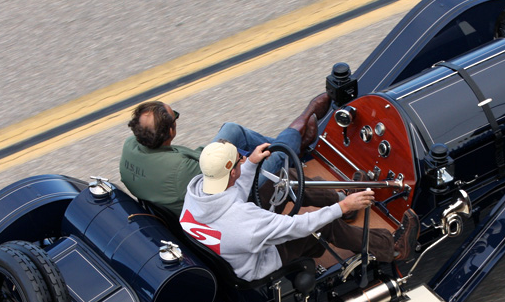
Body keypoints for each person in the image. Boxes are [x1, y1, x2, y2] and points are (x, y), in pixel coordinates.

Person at [180, 140, 419, 282]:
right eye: (240, 159)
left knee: (284, 183)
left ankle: (342, 196)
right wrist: (339, 209)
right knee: (324, 224)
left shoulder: (199, 192)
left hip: (232, 240)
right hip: (259, 261)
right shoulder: (245, 224)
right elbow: (297, 226)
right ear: (232, 172)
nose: (243, 159)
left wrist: (251, 163)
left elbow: (232, 193)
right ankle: (392, 248)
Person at [120, 93, 330, 215]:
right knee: (272, 158)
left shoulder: (132, 145)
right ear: (171, 131)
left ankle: (294, 147)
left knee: (232, 130)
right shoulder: (181, 171)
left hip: (195, 180)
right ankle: (300, 126)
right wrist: (243, 162)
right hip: (227, 199)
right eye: (174, 115)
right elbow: (222, 179)